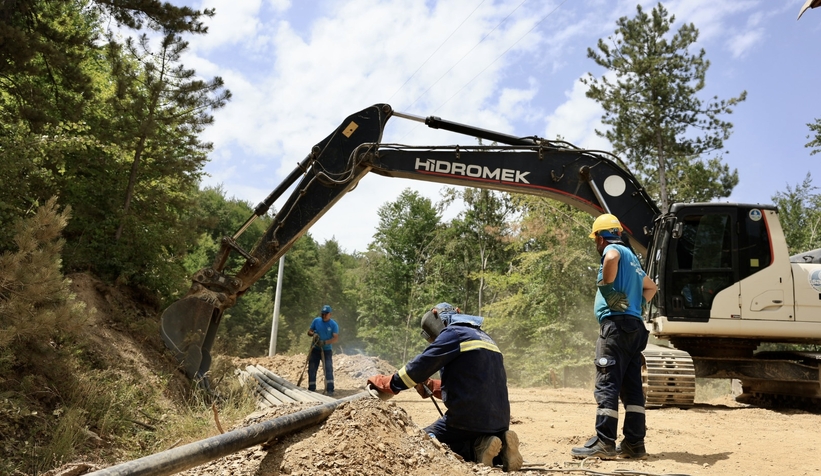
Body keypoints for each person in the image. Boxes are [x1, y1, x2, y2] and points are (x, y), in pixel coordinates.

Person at [367, 303, 523, 472]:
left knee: (422, 441)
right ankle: (502, 447)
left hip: (467, 420)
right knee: (475, 434)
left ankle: (474, 450)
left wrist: (389, 383)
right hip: (500, 421)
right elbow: (474, 385)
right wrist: (432, 386)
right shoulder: (486, 338)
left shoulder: (453, 333)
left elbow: (418, 367)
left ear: (436, 315)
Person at [571, 214, 658, 460]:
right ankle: (634, 443)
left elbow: (610, 257)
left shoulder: (613, 251)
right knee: (632, 388)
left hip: (615, 328)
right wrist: (637, 305)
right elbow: (651, 288)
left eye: (596, 238)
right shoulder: (634, 261)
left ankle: (604, 441)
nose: (596, 243)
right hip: (634, 327)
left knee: (607, 382)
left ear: (601, 237)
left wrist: (608, 288)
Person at [306, 304, 339, 396]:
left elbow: (335, 338)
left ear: (330, 314)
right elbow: (309, 331)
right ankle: (311, 389)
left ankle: (330, 389)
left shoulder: (333, 324)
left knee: (328, 369)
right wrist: (313, 334)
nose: (324, 315)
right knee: (312, 368)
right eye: (322, 314)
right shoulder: (316, 321)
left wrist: (325, 342)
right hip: (315, 349)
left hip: (326, 350)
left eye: (326, 314)